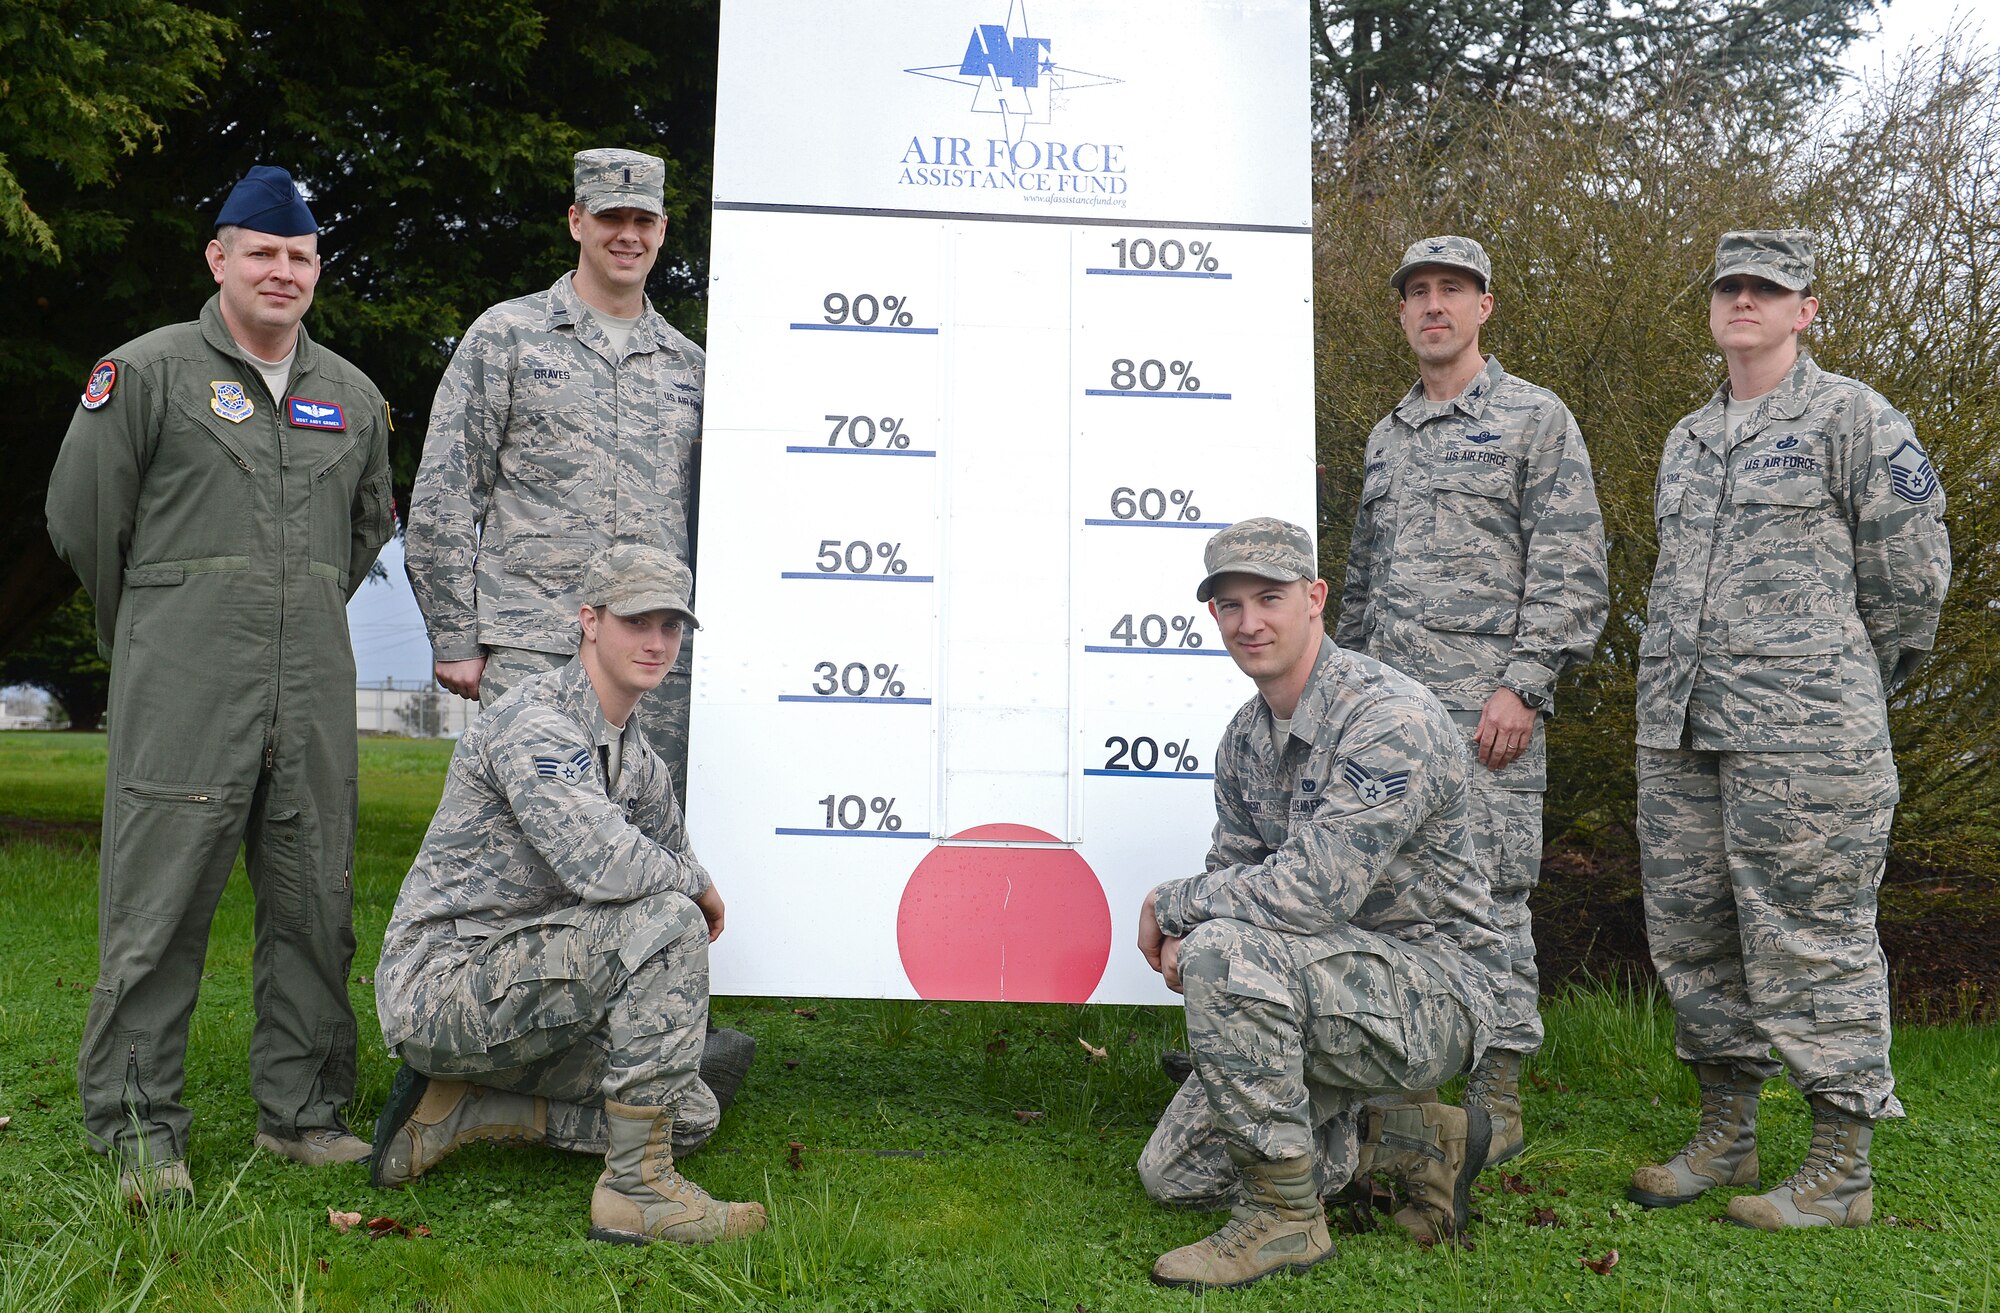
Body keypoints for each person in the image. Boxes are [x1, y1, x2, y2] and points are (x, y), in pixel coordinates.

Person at [45, 166, 395, 1205]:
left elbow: (365, 530)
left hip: (313, 687)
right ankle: (140, 1128)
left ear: (316, 268)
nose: (281, 271)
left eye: (299, 256)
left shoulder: (352, 394)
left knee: (313, 899)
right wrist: (163, 621)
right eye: (262, 252)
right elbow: (81, 517)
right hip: (187, 684)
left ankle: (303, 1112)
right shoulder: (145, 373)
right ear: (220, 259)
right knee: (158, 908)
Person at [1628, 230, 1950, 1229]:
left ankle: (1839, 1166)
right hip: (1680, 728)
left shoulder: (1852, 417)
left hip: (1805, 733)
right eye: (1729, 286)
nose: (1742, 302)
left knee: (1811, 936)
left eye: (1765, 289)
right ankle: (1725, 1131)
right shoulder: (1687, 436)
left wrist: (1838, 680)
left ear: (1803, 309)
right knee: (1694, 934)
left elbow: (1909, 577)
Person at [1134, 518, 1509, 1289]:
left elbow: (1310, 892)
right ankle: (1411, 1141)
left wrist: (1177, 908)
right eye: (1230, 606)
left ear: (1315, 598)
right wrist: (1197, 921)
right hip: (1316, 988)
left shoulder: (1386, 717)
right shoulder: (1245, 737)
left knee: (1222, 953)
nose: (1250, 622)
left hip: (1433, 995)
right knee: (1170, 1173)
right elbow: (1236, 877)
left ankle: (1284, 1220)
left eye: (1269, 597)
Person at [371, 544, 764, 1246]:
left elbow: (669, 850)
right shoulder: (537, 720)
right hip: (446, 990)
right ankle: (634, 1193)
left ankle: (471, 1107)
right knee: (669, 919)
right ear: (589, 620)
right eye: (636, 619)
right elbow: (608, 866)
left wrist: (686, 874)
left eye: (671, 625)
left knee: (690, 1109)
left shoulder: (637, 756)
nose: (655, 641)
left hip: (534, 988)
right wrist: (697, 888)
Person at [1336, 235, 1607, 1170]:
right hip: (1394, 722)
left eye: (1452, 290)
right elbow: (1363, 586)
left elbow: (1572, 569)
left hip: (1488, 718)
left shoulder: (1537, 420)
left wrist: (1522, 686)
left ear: (1485, 305)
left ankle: (1497, 1086)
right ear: (1403, 313)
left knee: (1491, 898)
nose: (1434, 306)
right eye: (1418, 293)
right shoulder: (1387, 434)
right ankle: (1397, 1084)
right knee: (1384, 896)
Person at [404, 147, 704, 794]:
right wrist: (455, 634)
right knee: (531, 850)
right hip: (537, 650)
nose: (627, 234)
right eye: (609, 216)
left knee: (642, 843)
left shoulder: (690, 367)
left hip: (654, 665)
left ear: (662, 231)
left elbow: (708, 522)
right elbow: (445, 492)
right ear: (576, 220)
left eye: (643, 220)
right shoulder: (507, 336)